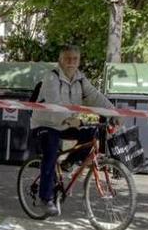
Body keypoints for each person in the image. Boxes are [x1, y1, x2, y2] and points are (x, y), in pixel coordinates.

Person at [30, 45, 119, 217]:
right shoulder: (52, 77)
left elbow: (95, 96)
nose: (71, 62)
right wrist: (69, 119)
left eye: (75, 59)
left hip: (67, 124)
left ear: (79, 61)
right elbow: (54, 102)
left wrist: (114, 112)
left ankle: (68, 163)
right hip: (45, 123)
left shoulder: (80, 79)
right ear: (60, 60)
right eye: (67, 58)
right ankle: (45, 198)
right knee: (51, 150)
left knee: (91, 134)